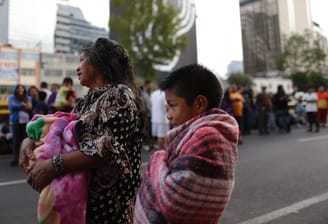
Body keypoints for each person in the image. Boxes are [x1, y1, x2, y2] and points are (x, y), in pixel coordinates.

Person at [19, 37, 146, 223]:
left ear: (99, 62)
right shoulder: (88, 100)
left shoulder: (119, 96)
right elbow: (59, 127)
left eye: (81, 60)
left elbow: (105, 149)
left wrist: (52, 165)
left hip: (110, 207)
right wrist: (28, 140)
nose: (77, 68)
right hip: (88, 204)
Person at [134, 64, 239, 223]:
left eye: (173, 106)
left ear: (199, 104)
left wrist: (157, 158)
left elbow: (173, 201)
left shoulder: (207, 136)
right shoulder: (202, 133)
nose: (169, 115)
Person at [8, 83, 32, 166]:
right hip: (15, 122)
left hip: (26, 122)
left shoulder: (28, 98)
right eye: (18, 89)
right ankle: (15, 158)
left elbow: (29, 107)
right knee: (16, 140)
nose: (20, 90)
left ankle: (25, 157)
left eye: (22, 89)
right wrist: (22, 105)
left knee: (25, 140)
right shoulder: (11, 98)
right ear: (15, 90)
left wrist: (20, 106)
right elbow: (11, 106)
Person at [141, 79, 153, 151]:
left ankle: (149, 144)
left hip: (150, 114)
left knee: (149, 129)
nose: (151, 86)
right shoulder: (142, 93)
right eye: (150, 85)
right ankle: (145, 145)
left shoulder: (150, 93)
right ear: (147, 85)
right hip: (144, 114)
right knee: (145, 130)